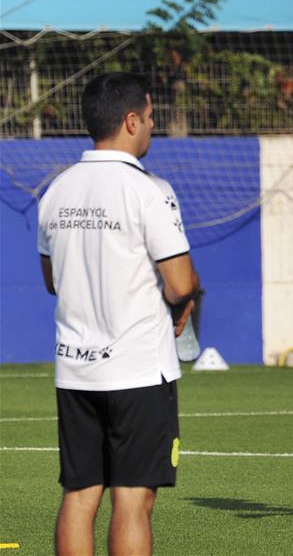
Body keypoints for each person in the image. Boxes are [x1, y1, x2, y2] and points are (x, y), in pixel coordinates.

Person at [38, 72, 200, 555]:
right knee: (133, 501)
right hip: (137, 369)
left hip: (75, 369)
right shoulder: (149, 190)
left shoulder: (56, 191)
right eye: (150, 118)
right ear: (131, 121)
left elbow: (52, 281)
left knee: (80, 494)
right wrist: (185, 300)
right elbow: (179, 282)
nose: (152, 126)